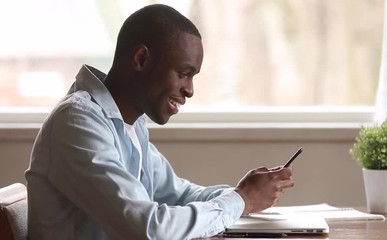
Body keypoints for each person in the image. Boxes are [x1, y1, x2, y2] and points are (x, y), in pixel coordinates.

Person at [25, 4, 294, 239]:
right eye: (183, 73)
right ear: (141, 59)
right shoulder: (78, 122)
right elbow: (149, 229)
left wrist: (244, 193)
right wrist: (241, 200)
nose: (189, 90)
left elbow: (178, 195)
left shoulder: (130, 124)